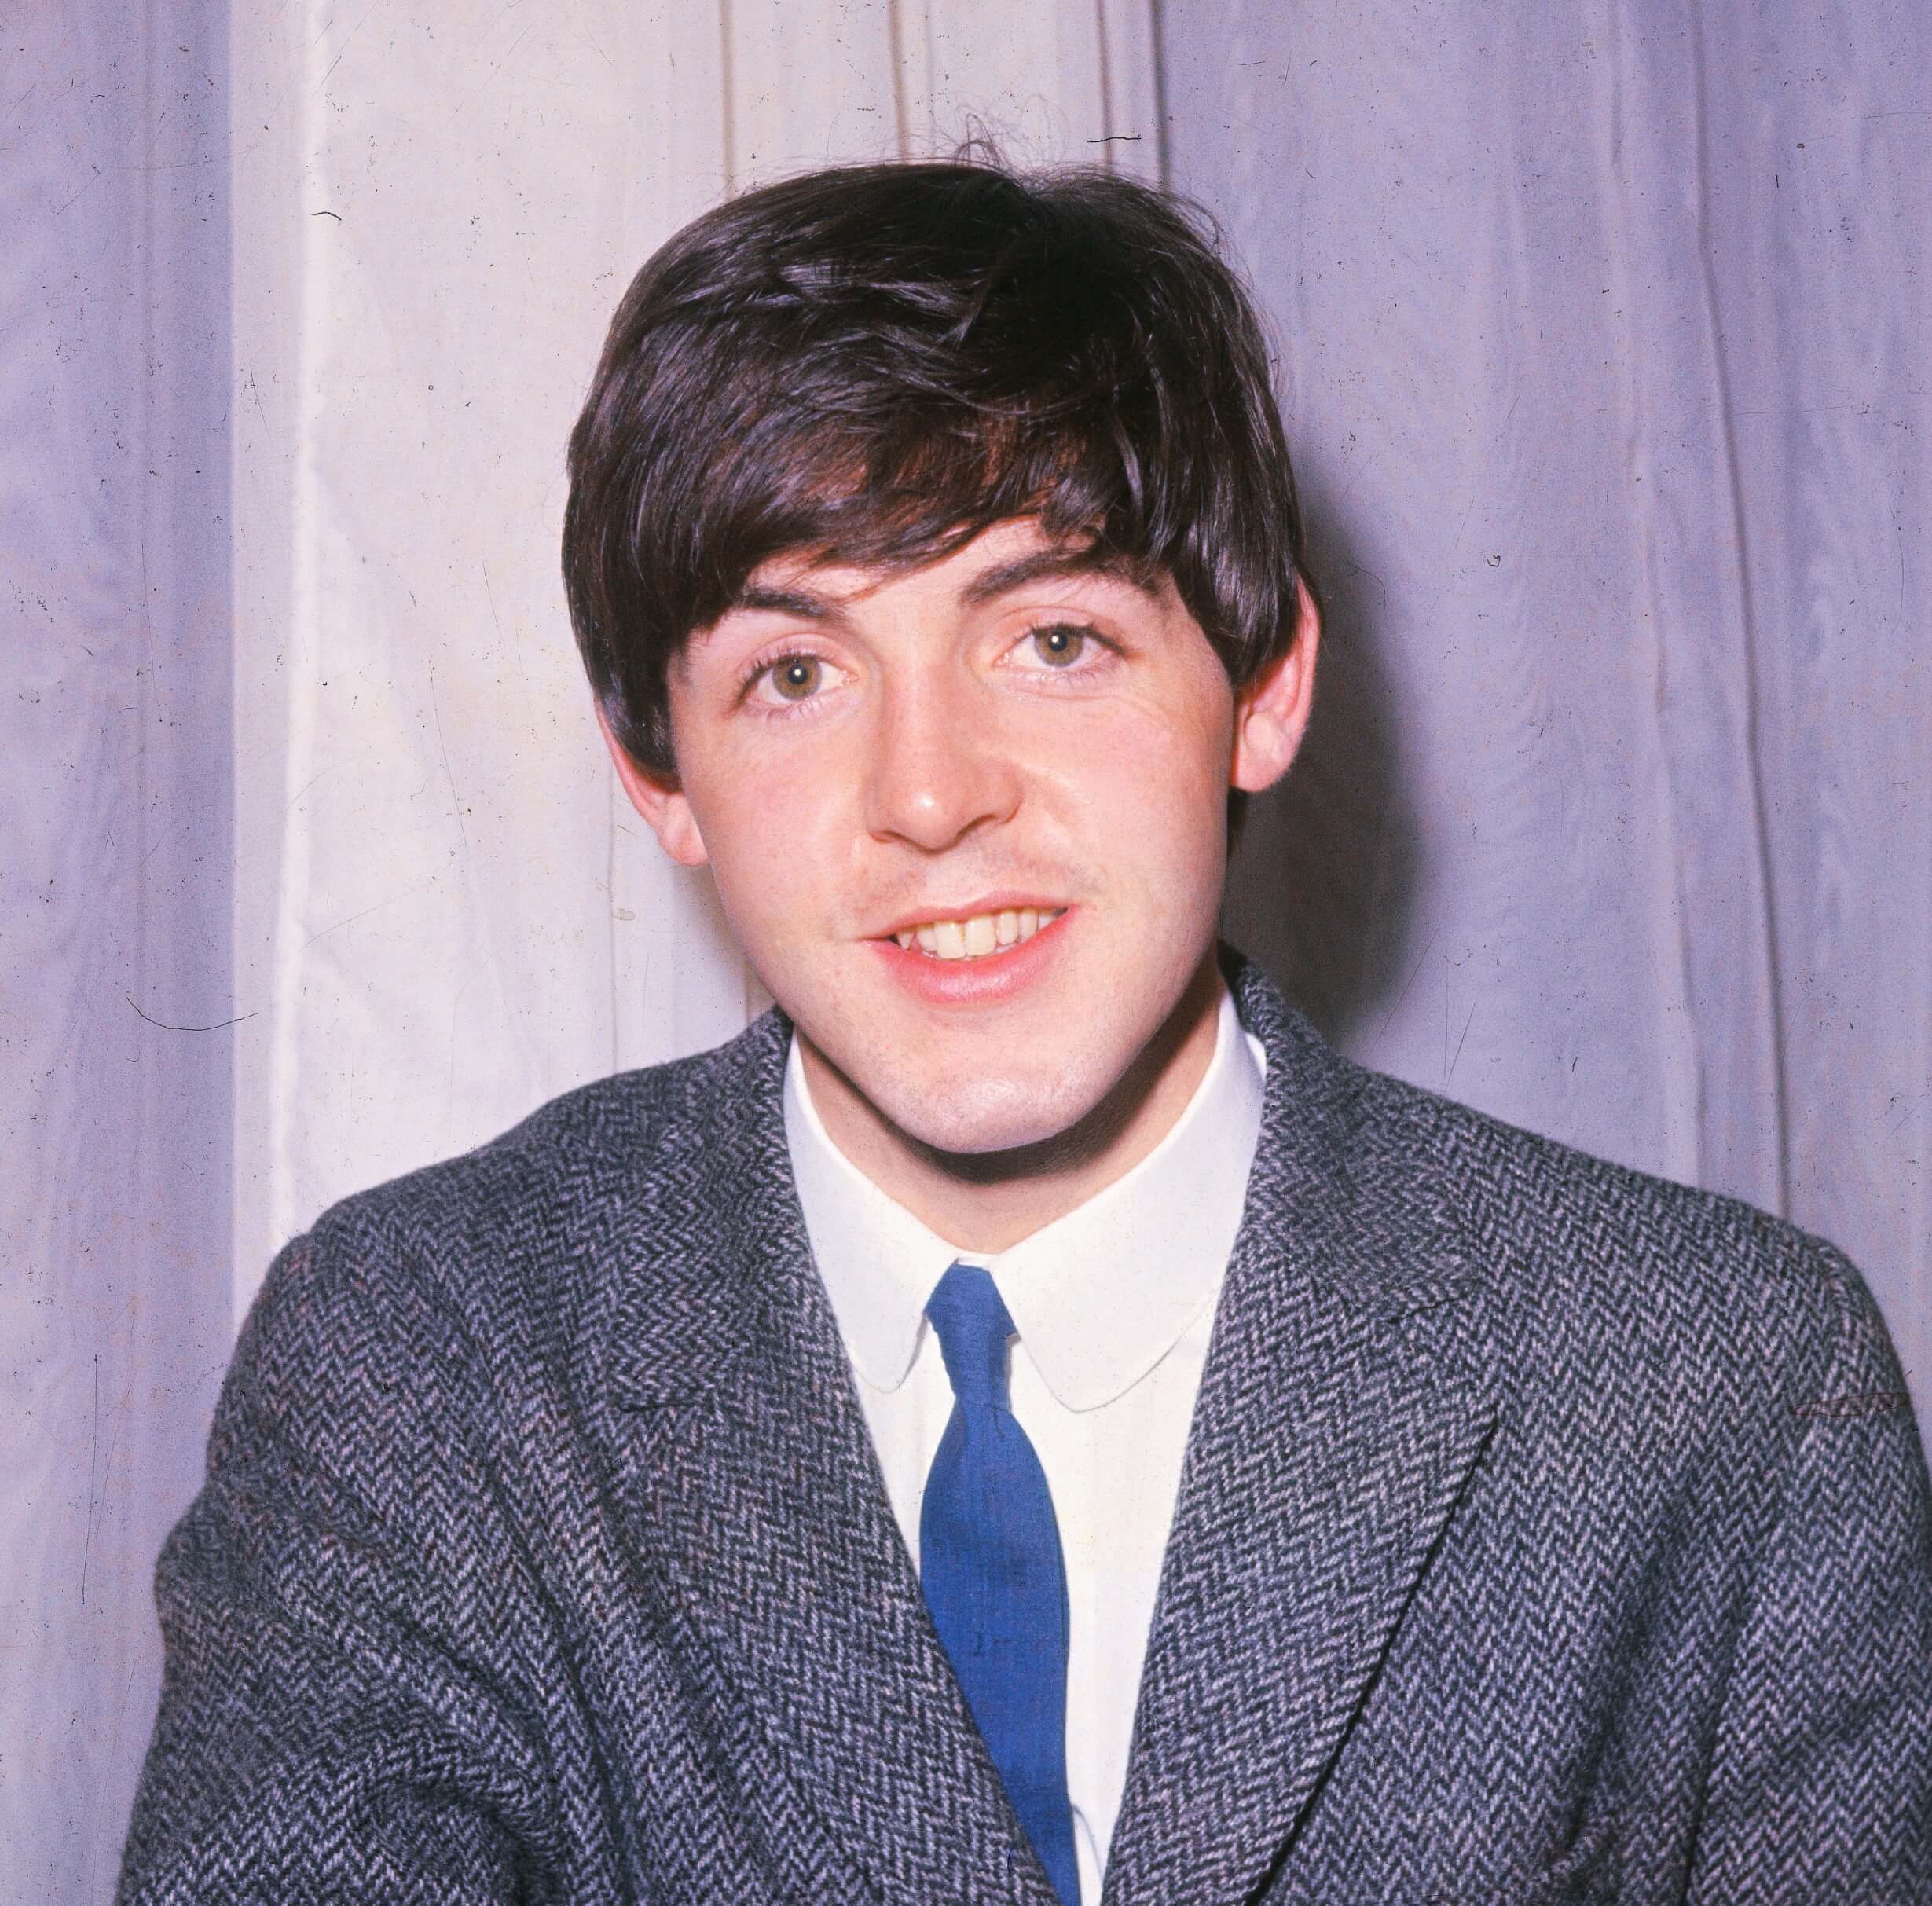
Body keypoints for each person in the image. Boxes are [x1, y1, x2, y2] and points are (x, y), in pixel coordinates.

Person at [118, 158, 1930, 1905]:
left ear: (1264, 686)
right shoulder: (420, 1365)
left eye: (1052, 638)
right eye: (797, 674)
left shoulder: (1723, 1386)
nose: (927, 795)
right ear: (659, 779)